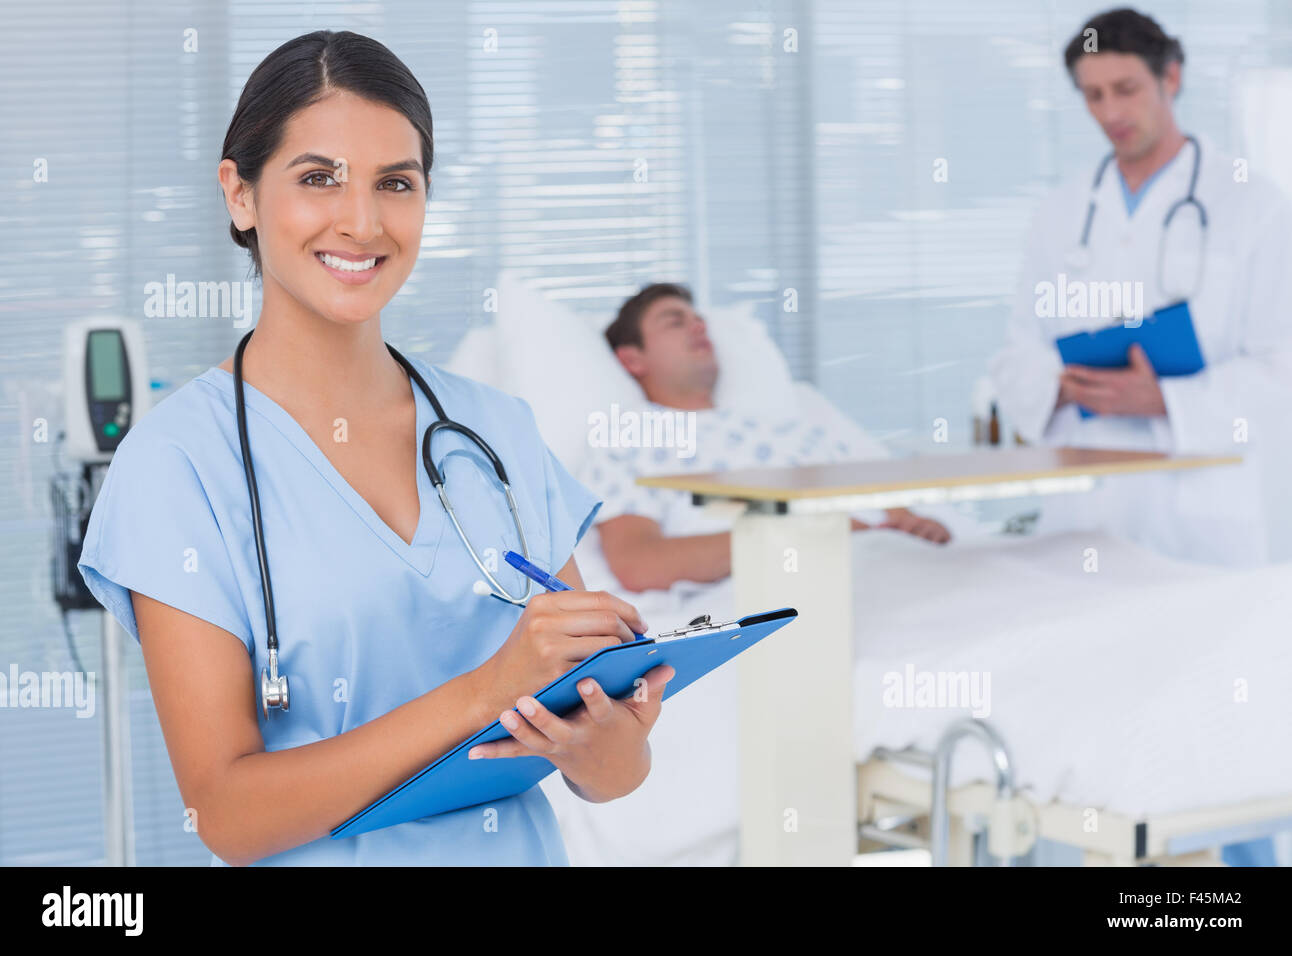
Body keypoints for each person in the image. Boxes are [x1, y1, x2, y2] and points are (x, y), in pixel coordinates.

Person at [76, 30, 672, 867]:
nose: (362, 222)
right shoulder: (176, 466)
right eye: (318, 178)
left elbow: (610, 776)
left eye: (396, 183)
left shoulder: (495, 431)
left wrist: (612, 741)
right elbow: (226, 816)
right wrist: (487, 691)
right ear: (240, 195)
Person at [989, 7, 1292, 865]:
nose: (1111, 111)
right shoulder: (1063, 213)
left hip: (1202, 514)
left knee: (1225, 736)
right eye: (1092, 96)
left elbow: (1280, 367)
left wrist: (1163, 397)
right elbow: (1016, 352)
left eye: (1125, 88)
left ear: (1172, 76)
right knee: (1092, 731)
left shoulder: (1252, 205)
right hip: (1091, 502)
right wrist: (1061, 380)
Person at [586, 283, 952, 596]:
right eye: (675, 321)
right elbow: (640, 564)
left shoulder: (794, 430)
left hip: (894, 565)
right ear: (632, 359)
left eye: (698, 319)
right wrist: (802, 533)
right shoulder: (629, 445)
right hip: (785, 589)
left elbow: (883, 506)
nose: (697, 326)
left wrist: (911, 522)